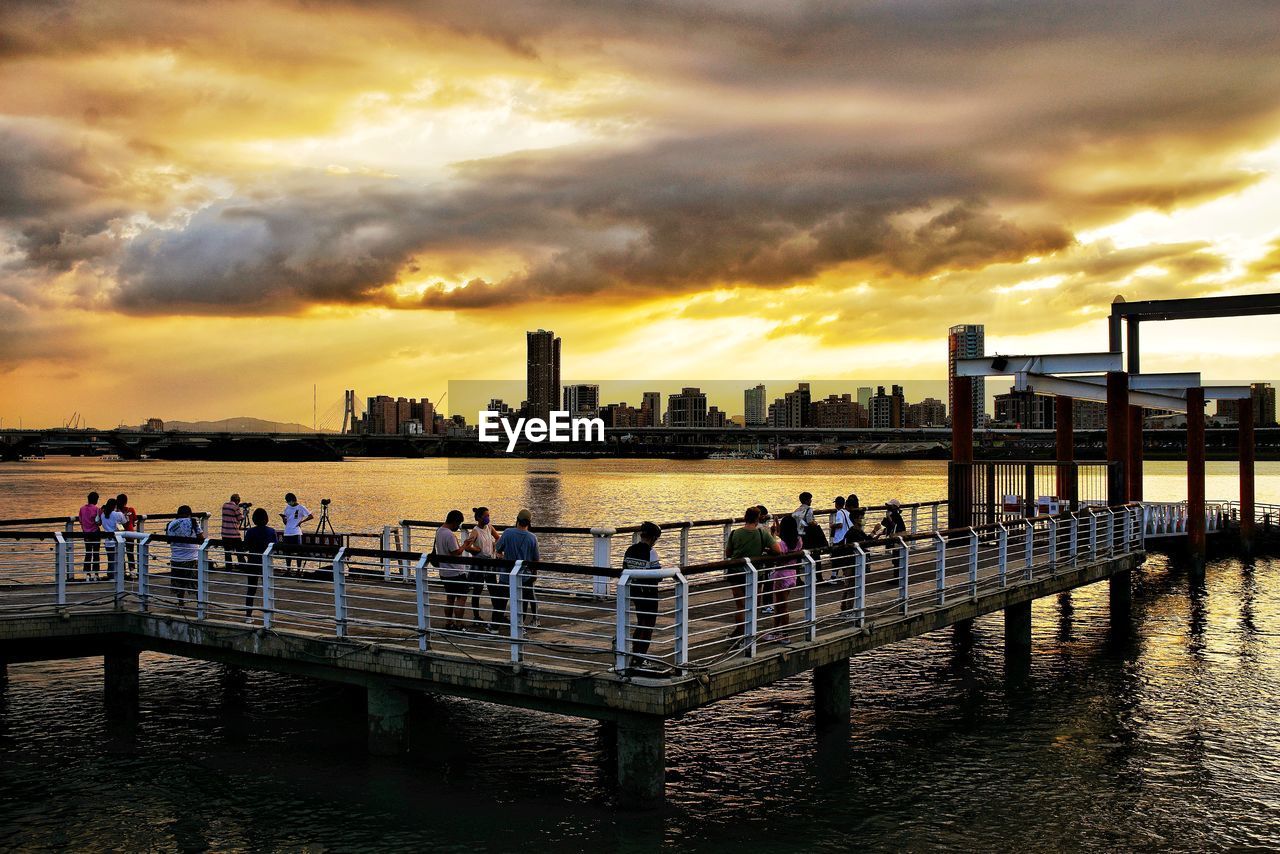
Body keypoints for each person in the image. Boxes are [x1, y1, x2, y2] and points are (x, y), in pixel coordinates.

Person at [724, 506, 782, 642]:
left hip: (736, 572)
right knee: (753, 605)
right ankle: (749, 632)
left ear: (745, 517)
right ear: (758, 518)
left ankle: (739, 633)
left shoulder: (735, 533)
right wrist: (765, 550)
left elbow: (728, 553)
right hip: (755, 572)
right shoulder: (763, 533)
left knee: (740, 606)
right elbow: (777, 550)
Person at [622, 521, 663, 671]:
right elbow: (658, 575)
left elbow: (625, 569)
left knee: (640, 622)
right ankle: (641, 658)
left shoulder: (630, 550)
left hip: (635, 592)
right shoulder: (651, 553)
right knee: (648, 625)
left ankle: (635, 654)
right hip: (650, 594)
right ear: (653, 538)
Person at [495, 509, 540, 628]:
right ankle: (519, 626)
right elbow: (536, 559)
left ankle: (495, 627)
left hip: (506, 575)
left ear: (517, 520)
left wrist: (502, 554)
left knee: (501, 601)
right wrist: (534, 574)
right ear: (529, 523)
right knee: (522, 602)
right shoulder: (532, 538)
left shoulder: (508, 533)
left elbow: (498, 547)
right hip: (524, 576)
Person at [762, 514, 801, 644]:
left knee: (782, 607)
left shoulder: (782, 544)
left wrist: (770, 539)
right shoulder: (798, 541)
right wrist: (777, 525)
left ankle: (784, 634)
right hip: (792, 575)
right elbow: (782, 538)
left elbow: (775, 549)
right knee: (780, 606)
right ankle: (775, 631)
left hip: (781, 576)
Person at [463, 507, 503, 633]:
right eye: (485, 516)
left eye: (488, 515)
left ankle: (497, 615)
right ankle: (476, 616)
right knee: (477, 589)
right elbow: (467, 547)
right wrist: (477, 550)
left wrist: (496, 547)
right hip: (479, 563)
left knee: (493, 590)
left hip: (490, 562)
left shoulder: (489, 527)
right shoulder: (475, 531)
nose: (488, 518)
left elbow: (498, 538)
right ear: (479, 517)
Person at [434, 510, 469, 631]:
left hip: (444, 572)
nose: (458, 527)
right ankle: (459, 624)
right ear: (454, 521)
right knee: (461, 598)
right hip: (456, 572)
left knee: (450, 598)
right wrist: (465, 545)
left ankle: (448, 622)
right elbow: (456, 552)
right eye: (458, 524)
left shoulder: (439, 531)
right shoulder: (449, 535)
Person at [241, 507, 278, 620]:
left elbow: (245, 546)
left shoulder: (250, 531)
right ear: (266, 519)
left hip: (252, 561)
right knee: (267, 589)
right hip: (266, 562)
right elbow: (275, 547)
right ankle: (269, 616)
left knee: (251, 589)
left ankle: (248, 616)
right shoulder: (271, 531)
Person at [165, 505, 204, 608]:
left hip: (176, 558)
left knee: (179, 584)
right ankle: (199, 605)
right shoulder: (193, 522)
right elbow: (201, 537)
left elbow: (168, 540)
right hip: (191, 558)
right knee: (196, 584)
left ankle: (181, 604)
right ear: (189, 514)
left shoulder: (171, 524)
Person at [278, 493, 313, 574]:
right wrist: (283, 518)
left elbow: (310, 516)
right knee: (287, 553)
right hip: (287, 532)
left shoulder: (301, 507)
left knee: (298, 552)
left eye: (288, 501)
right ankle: (288, 570)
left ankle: (298, 570)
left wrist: (301, 521)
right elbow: (286, 522)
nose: (288, 503)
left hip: (296, 532)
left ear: (293, 500)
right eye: (287, 502)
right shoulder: (287, 508)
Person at [98, 497, 126, 581]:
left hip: (108, 541)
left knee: (110, 559)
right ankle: (122, 575)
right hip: (119, 540)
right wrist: (120, 511)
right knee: (121, 559)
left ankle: (111, 575)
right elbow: (124, 521)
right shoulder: (118, 514)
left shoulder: (103, 515)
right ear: (115, 506)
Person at [78, 491, 101, 581]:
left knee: (88, 553)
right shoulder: (97, 509)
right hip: (95, 533)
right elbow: (98, 522)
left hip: (86, 533)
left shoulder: (82, 509)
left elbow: (80, 520)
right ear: (96, 500)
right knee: (96, 553)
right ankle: (96, 574)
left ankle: (87, 574)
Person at [116, 493, 139, 579]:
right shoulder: (131, 509)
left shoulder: (116, 512)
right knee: (130, 553)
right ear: (126, 501)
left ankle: (123, 572)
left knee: (120, 554)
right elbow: (135, 521)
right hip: (130, 534)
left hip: (119, 536)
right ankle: (132, 571)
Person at [221, 493, 246, 572]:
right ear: (237, 501)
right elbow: (240, 518)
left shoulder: (224, 505)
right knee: (239, 551)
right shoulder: (235, 507)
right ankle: (243, 566)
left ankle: (228, 568)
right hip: (234, 534)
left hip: (225, 533)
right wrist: (245, 513)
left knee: (227, 552)